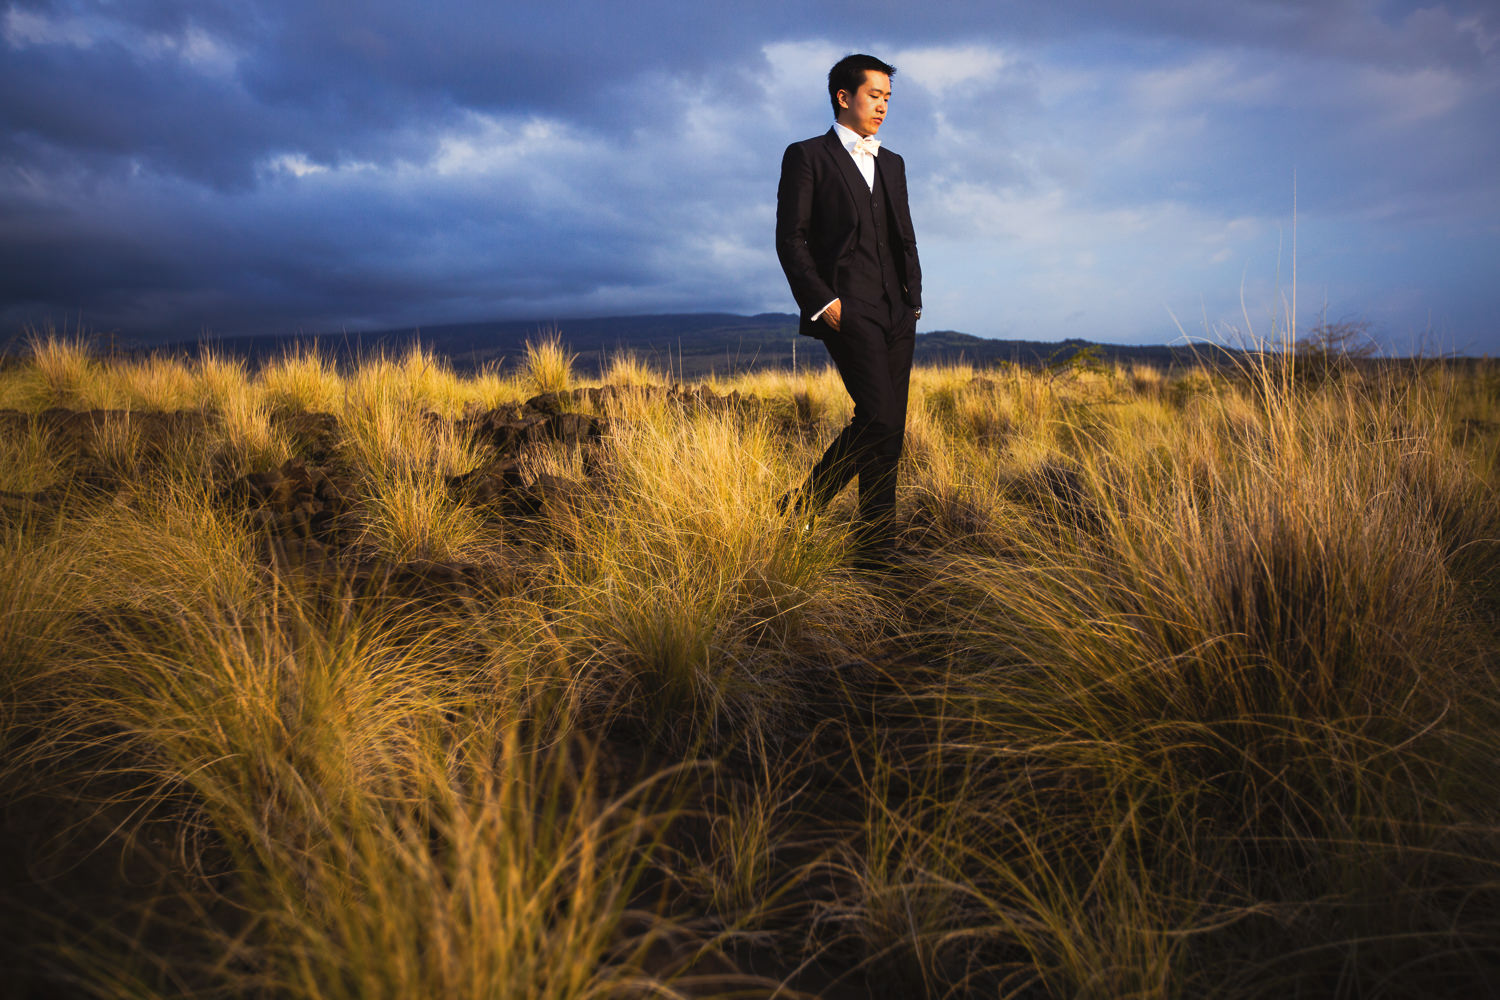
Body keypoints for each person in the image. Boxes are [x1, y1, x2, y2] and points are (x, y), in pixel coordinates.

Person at [775, 53, 922, 568]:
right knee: (878, 417)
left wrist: (914, 302)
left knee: (890, 434)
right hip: (846, 308)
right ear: (844, 96)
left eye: (888, 97)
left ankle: (878, 549)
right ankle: (803, 505)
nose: (883, 106)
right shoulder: (807, 156)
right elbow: (790, 240)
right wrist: (824, 303)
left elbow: (904, 236)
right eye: (874, 95)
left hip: (897, 313)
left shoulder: (894, 162)